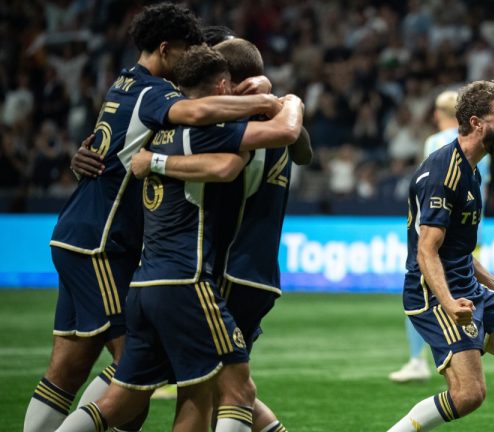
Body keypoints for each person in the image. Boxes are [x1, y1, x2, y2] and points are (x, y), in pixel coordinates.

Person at [25, 4, 281, 431]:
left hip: (81, 234)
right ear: (165, 49)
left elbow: (110, 144)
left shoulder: (123, 82)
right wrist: (269, 98)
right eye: (187, 50)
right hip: (103, 242)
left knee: (68, 367)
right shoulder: (155, 93)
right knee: (134, 378)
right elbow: (200, 114)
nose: (191, 61)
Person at [132, 36, 310, 432]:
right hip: (263, 274)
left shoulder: (231, 124)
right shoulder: (282, 118)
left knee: (209, 388)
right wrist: (288, 100)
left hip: (227, 268)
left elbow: (222, 168)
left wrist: (157, 160)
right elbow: (304, 150)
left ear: (227, 83)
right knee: (235, 383)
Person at [388, 81, 494, 432]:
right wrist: (449, 302)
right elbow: (426, 250)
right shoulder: (442, 173)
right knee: (468, 395)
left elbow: (459, 250)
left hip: (467, 287)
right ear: (478, 122)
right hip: (435, 295)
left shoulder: (472, 169)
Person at [389, 89, 492, 383]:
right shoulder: (484, 141)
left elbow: (430, 189)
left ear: (437, 114)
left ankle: (417, 360)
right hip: (474, 229)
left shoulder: (434, 143)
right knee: (469, 290)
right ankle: (471, 348)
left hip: (439, 226)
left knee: (426, 290)